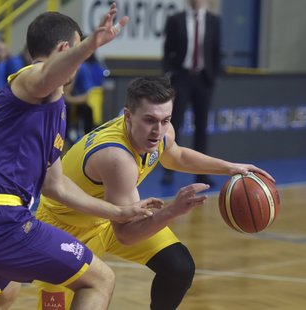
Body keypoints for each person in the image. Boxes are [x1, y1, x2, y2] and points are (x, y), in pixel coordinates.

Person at [0, 5, 185, 310]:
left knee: (6, 295)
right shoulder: (33, 80)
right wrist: (90, 44)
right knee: (99, 280)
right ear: (66, 49)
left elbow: (57, 186)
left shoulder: (48, 108)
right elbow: (47, 74)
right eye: (78, 52)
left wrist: (118, 212)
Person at [32, 76, 274, 310]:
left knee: (179, 267)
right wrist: (173, 210)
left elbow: (176, 155)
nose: (158, 131)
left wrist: (230, 168)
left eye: (165, 120)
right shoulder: (117, 158)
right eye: (150, 120)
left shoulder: (160, 133)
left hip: (106, 219)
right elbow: (126, 234)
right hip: (64, 230)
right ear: (128, 115)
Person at [162, 0, 221, 185]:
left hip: (203, 79)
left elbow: (216, 51)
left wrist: (213, 76)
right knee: (174, 125)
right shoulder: (175, 19)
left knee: (201, 127)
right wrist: (170, 74)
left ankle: (201, 174)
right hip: (182, 78)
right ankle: (169, 170)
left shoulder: (214, 21)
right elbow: (167, 49)